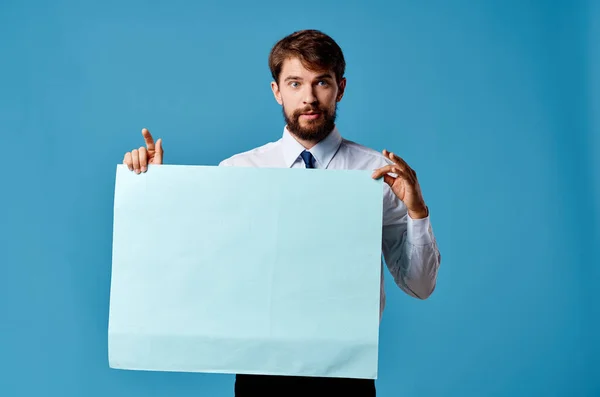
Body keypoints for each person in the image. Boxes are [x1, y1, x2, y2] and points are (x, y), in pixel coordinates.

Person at [122, 29, 441, 396]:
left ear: (341, 88)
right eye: (294, 83)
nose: (308, 98)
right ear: (277, 91)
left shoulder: (378, 174)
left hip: (347, 376)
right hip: (259, 377)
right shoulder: (238, 172)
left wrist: (417, 211)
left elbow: (420, 285)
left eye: (322, 82)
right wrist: (152, 191)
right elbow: (193, 269)